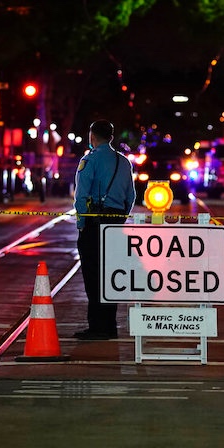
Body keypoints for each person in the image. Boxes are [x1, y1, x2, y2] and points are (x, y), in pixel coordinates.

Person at [73, 120, 136, 340]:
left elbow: (81, 196)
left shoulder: (89, 160)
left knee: (93, 274)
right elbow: (131, 196)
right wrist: (121, 218)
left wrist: (82, 224)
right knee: (111, 274)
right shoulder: (124, 162)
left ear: (92, 136)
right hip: (116, 222)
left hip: (94, 221)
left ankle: (97, 326)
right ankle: (110, 325)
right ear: (111, 137)